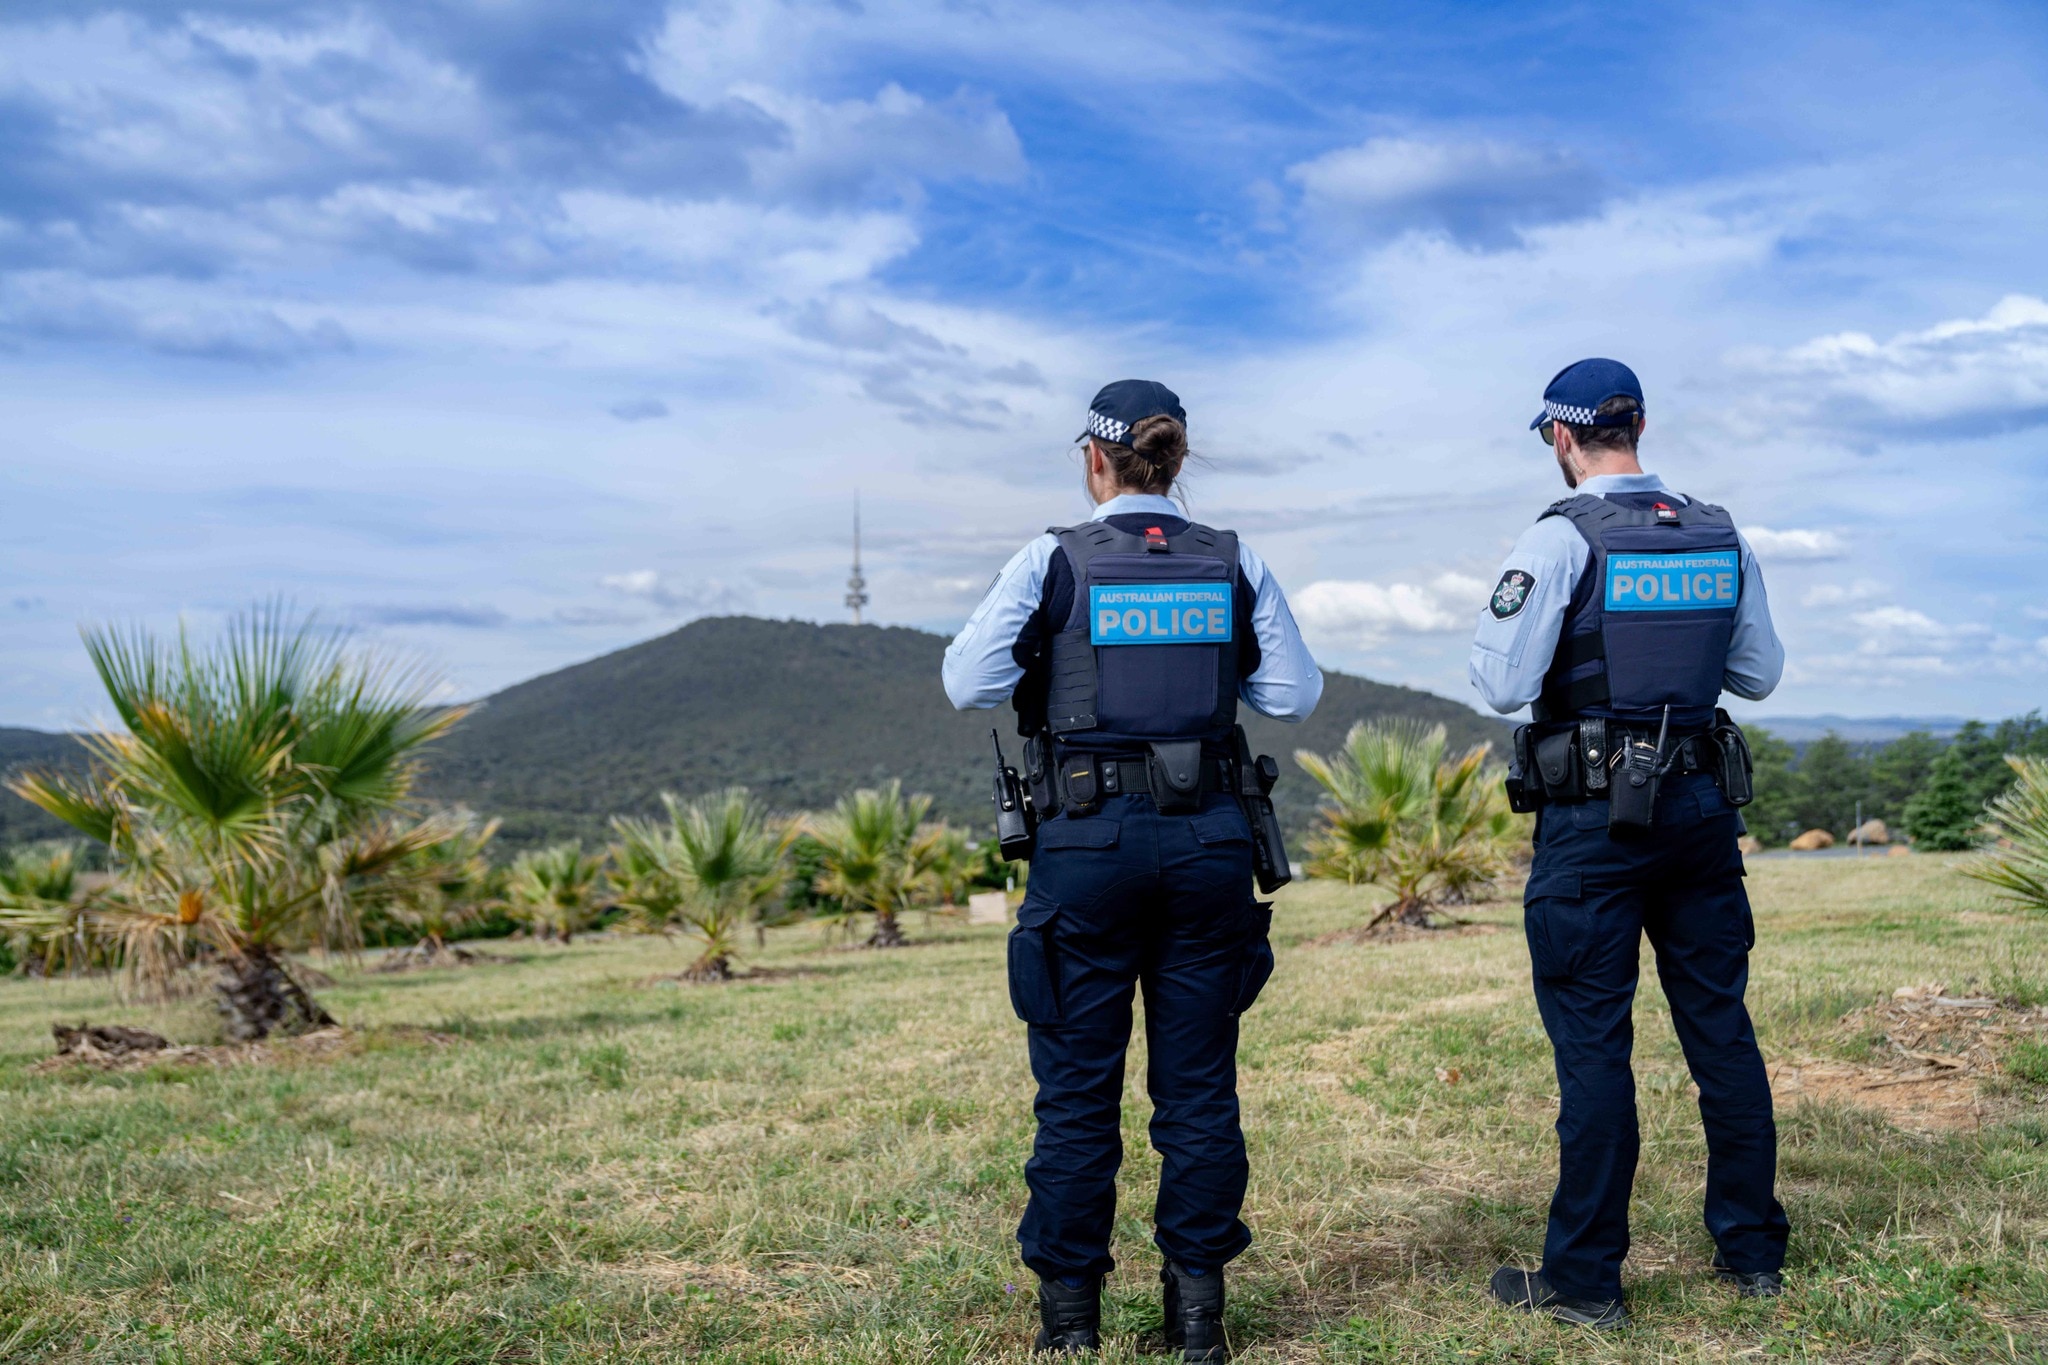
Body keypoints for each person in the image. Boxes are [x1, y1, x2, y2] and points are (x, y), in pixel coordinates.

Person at [943, 379, 1322, 1358]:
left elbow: (967, 682)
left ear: (1092, 458)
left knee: (1075, 1091)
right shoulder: (1230, 561)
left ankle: (1068, 1325)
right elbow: (1289, 693)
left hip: (1087, 839)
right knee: (1198, 1090)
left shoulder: (1053, 559)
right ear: (1178, 458)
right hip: (1207, 843)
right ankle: (1196, 1323)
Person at [1468, 358, 1791, 1329]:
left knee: (1593, 1053)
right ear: (1637, 425)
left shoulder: (1558, 536)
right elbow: (1758, 674)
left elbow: (1498, 684)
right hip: (1696, 811)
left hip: (1592, 821)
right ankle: (1751, 1256)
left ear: (1562, 438)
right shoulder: (1716, 531)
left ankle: (1584, 1284)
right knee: (1720, 1032)